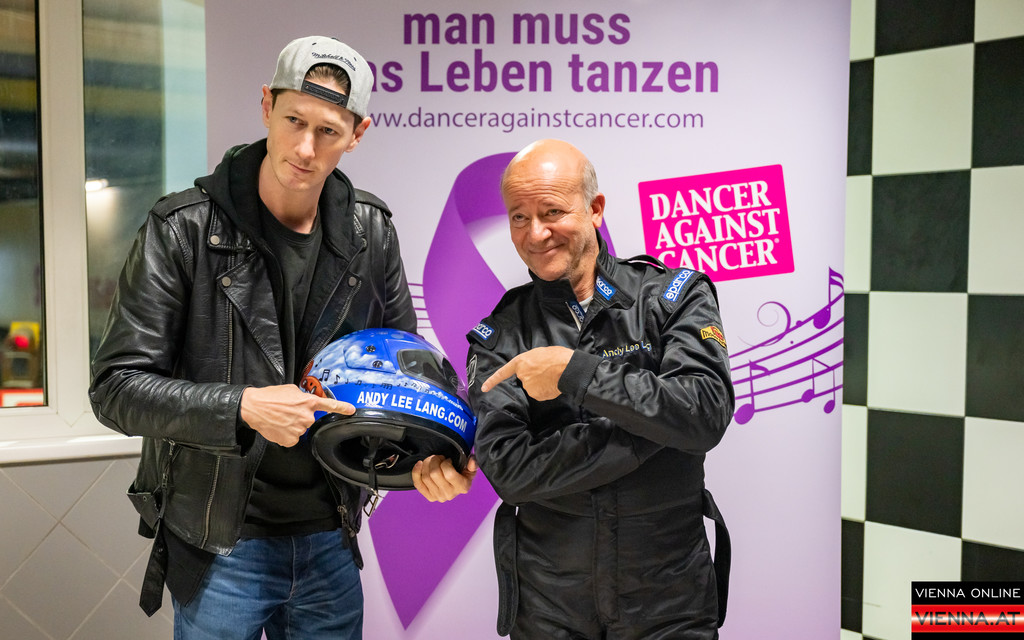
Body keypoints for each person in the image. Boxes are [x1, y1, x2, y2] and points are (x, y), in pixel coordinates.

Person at [89, 35, 476, 639]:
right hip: (221, 544)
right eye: (294, 120)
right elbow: (115, 389)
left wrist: (430, 455)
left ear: (357, 134)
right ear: (267, 104)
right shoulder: (182, 228)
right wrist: (243, 406)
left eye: (328, 131)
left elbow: (405, 375)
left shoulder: (371, 231)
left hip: (330, 538)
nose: (305, 148)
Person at [466, 139, 734, 639]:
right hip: (548, 607)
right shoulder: (501, 331)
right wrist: (655, 428)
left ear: (595, 209)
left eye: (552, 211)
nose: (535, 233)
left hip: (671, 601)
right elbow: (509, 471)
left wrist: (576, 373)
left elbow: (704, 411)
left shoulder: (672, 296)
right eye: (519, 217)